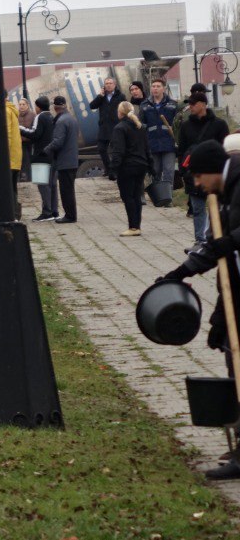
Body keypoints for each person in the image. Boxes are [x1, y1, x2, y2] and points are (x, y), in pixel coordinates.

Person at [156, 140, 240, 479]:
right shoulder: (223, 192)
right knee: (234, 362)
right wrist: (181, 273)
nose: (196, 186)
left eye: (197, 179)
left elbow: (227, 243)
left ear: (210, 172)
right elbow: (216, 251)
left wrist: (232, 240)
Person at [177, 92, 230, 251]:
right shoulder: (186, 126)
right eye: (189, 104)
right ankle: (200, 241)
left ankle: (218, 238)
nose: (190, 107)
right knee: (198, 208)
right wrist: (183, 170)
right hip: (194, 174)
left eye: (193, 104)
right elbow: (181, 150)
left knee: (219, 207)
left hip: (215, 175)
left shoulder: (219, 125)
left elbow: (225, 148)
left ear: (203, 104)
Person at [109, 101, 151, 237]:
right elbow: (146, 148)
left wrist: (113, 169)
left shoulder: (119, 128)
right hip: (141, 165)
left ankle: (133, 227)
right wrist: (151, 165)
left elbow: (118, 151)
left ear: (120, 112)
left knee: (128, 197)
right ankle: (137, 226)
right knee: (137, 196)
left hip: (127, 167)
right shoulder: (141, 127)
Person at [141, 78, 178, 205]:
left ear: (163, 88)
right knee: (155, 171)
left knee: (168, 171)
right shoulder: (145, 105)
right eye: (153, 86)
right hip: (152, 143)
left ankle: (168, 199)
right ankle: (158, 198)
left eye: (158, 86)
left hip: (168, 143)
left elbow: (178, 124)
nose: (155, 88)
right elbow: (141, 124)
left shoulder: (172, 104)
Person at [22, 95, 58, 221]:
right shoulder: (51, 116)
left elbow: (35, 134)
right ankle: (54, 211)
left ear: (38, 107)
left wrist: (20, 129)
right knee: (52, 184)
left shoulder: (40, 117)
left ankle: (46, 212)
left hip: (40, 155)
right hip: (51, 154)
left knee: (43, 184)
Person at [45, 95, 80, 224]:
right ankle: (71, 214)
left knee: (66, 190)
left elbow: (58, 142)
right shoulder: (71, 119)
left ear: (55, 107)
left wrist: (46, 150)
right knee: (69, 189)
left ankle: (70, 216)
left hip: (65, 161)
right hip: (72, 159)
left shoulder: (61, 121)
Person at [89, 77, 125, 180]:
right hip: (104, 128)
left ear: (114, 85)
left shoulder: (120, 96)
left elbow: (126, 109)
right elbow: (92, 106)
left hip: (116, 127)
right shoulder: (102, 96)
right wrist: (100, 96)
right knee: (101, 149)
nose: (108, 85)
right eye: (106, 83)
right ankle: (108, 168)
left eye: (110, 83)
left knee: (115, 151)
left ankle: (115, 171)